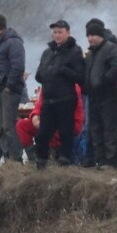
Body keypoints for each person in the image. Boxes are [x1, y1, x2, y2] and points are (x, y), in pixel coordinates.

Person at [34, 20, 85, 168]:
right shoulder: (47, 52)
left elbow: (80, 76)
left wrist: (63, 70)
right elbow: (38, 75)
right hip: (48, 99)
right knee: (43, 133)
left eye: (60, 32)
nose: (57, 35)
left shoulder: (75, 51)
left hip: (66, 98)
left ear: (68, 33)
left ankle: (65, 164)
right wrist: (44, 73)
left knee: (65, 133)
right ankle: (40, 163)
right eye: (55, 32)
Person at [83, 23, 117, 168]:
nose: (90, 38)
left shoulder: (111, 49)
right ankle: (100, 160)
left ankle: (112, 162)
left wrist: (103, 81)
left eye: (93, 35)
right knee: (96, 130)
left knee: (109, 130)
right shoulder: (91, 54)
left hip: (109, 95)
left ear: (100, 35)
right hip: (93, 96)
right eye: (88, 35)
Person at [0, 14, 26, 163]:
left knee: (9, 126)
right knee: (0, 127)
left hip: (8, 90)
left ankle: (16, 159)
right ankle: (8, 156)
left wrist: (9, 85)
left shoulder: (13, 42)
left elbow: (18, 65)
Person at [16, 83, 84, 161]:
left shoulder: (72, 87)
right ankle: (34, 157)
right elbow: (39, 104)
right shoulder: (48, 84)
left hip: (69, 123)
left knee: (51, 128)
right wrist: (35, 116)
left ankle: (56, 156)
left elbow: (64, 112)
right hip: (49, 120)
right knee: (21, 126)